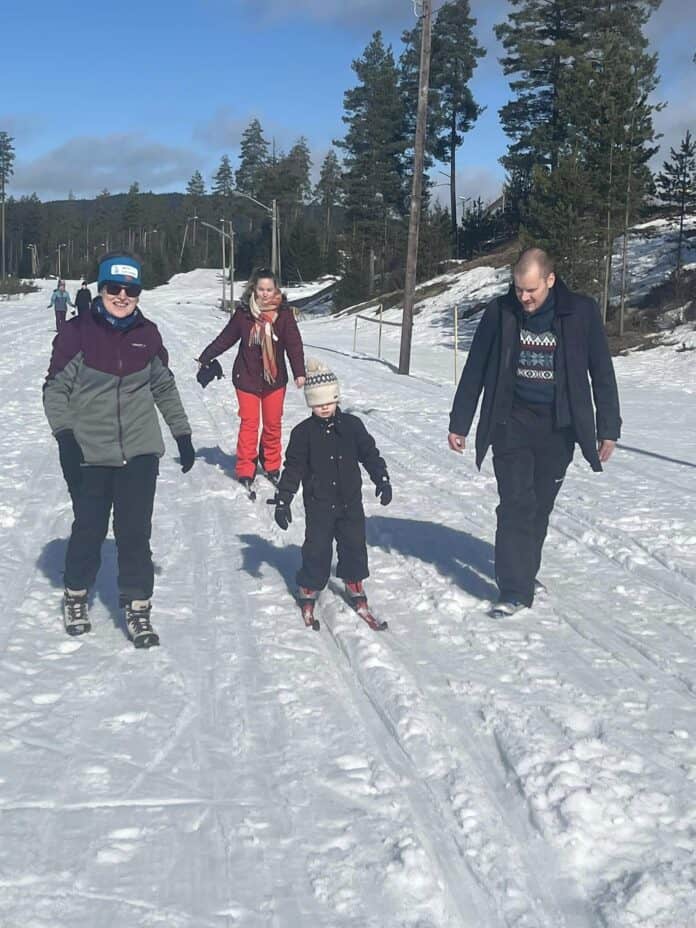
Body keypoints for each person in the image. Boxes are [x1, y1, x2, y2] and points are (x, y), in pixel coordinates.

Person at [448, 247, 621, 617]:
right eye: (518, 289)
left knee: (540, 506)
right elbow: (476, 368)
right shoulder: (500, 312)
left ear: (550, 281)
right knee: (515, 505)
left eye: (531, 291)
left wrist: (608, 427)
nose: (523, 298)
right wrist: (459, 422)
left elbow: (601, 373)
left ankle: (525, 571)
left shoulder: (580, 312)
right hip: (510, 423)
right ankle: (513, 589)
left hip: (559, 428)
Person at [43, 252, 195, 647]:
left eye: (131, 290)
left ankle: (138, 606)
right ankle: (75, 594)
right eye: (114, 288)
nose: (122, 296)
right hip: (88, 452)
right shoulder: (77, 333)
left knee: (134, 533)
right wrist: (65, 437)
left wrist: (182, 434)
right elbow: (55, 389)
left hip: (140, 451)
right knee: (89, 529)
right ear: (100, 288)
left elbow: (163, 385)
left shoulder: (149, 334)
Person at [271, 360, 392, 629]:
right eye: (317, 402)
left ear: (337, 397)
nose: (324, 406)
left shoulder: (352, 426)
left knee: (354, 545)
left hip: (350, 501)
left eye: (329, 400)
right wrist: (284, 498)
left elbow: (370, 455)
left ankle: (353, 582)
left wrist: (381, 479)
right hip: (319, 504)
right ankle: (308, 588)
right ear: (310, 404)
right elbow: (293, 468)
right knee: (317, 548)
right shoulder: (302, 433)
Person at [196, 267, 305, 491]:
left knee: (273, 424)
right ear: (254, 289)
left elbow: (294, 345)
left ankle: (272, 464)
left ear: (276, 290)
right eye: (261, 289)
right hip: (246, 378)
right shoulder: (244, 314)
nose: (265, 294)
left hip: (275, 380)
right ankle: (246, 468)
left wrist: (299, 371)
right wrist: (206, 356)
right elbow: (226, 338)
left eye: (269, 289)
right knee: (250, 424)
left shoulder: (284, 315)